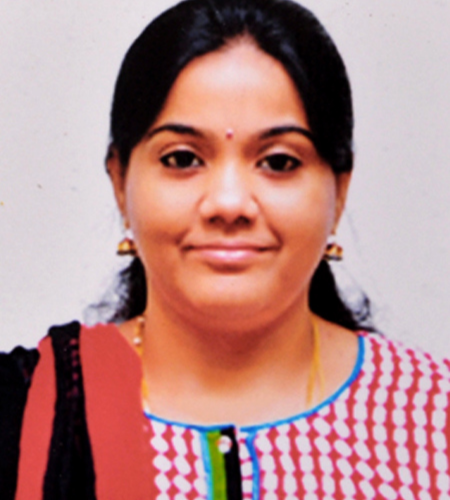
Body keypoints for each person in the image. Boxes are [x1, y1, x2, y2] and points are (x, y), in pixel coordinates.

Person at [0, 0, 448, 498]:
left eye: (279, 162)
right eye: (182, 159)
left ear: (339, 189)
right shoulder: (25, 415)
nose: (229, 203)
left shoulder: (432, 417)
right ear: (119, 181)